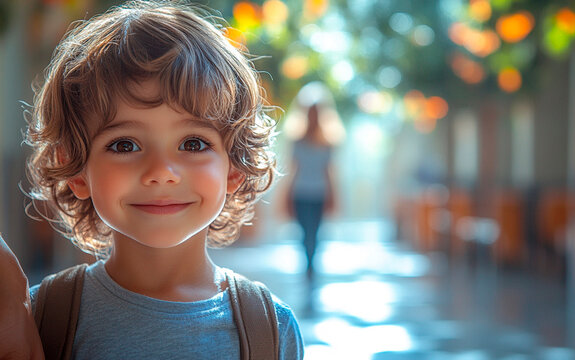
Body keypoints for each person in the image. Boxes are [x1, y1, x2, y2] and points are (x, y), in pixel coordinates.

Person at [0, 1, 303, 359]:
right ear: (77, 169)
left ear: (233, 168)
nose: (161, 172)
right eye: (124, 144)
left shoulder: (269, 327)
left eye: (193, 143)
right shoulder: (39, 318)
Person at [283, 82, 344, 279]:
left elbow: (329, 172)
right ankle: (307, 263)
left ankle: (312, 264)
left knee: (315, 232)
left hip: (319, 193)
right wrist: (286, 197)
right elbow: (292, 170)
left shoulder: (328, 142)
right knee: (303, 232)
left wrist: (333, 196)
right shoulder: (296, 141)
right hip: (301, 192)